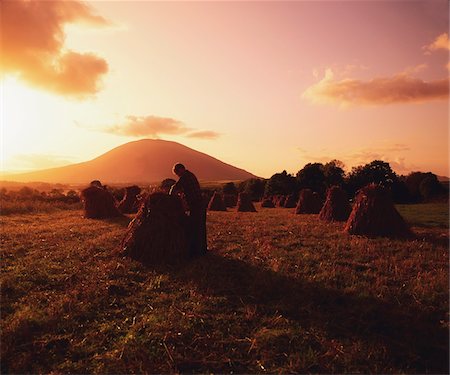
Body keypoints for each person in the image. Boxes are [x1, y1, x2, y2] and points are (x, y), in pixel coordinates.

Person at [169, 163, 207, 257]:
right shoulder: (190, 175)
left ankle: (196, 252)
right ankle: (202, 250)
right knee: (201, 227)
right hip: (200, 204)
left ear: (181, 169)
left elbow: (174, 188)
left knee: (195, 227)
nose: (178, 175)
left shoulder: (185, 177)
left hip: (196, 205)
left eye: (177, 173)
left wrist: (169, 198)